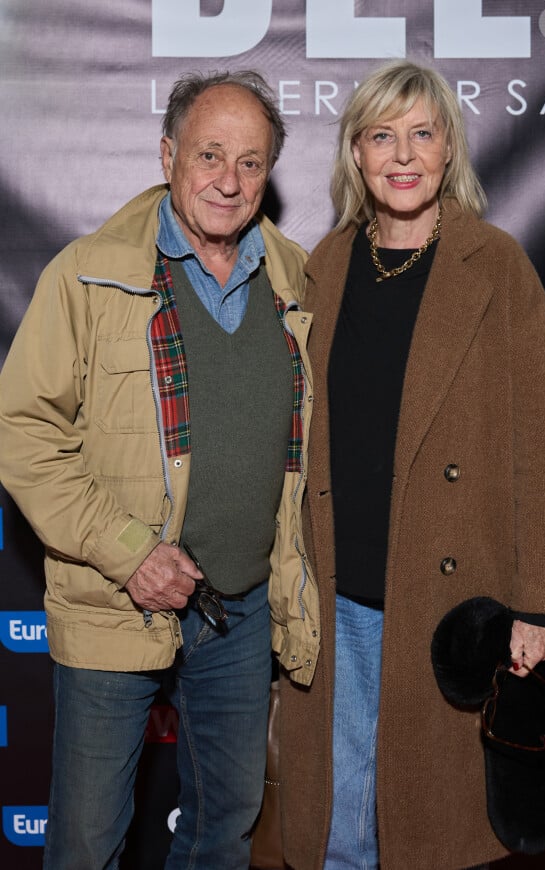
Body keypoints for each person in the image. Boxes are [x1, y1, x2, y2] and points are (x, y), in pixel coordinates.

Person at [0, 70, 316, 869]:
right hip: (115, 599)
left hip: (241, 607)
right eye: (210, 154)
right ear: (169, 154)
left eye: (251, 163)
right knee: (86, 841)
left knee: (226, 827)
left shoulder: (295, 278)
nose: (229, 180)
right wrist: (130, 553)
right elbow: (22, 431)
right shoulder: (87, 273)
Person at [273, 61, 545, 870]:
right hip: (338, 597)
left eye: (421, 133)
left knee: (427, 834)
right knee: (337, 831)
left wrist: (541, 608)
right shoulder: (324, 266)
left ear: (449, 150)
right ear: (356, 155)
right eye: (381, 136)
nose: (402, 155)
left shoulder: (499, 268)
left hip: (449, 603)